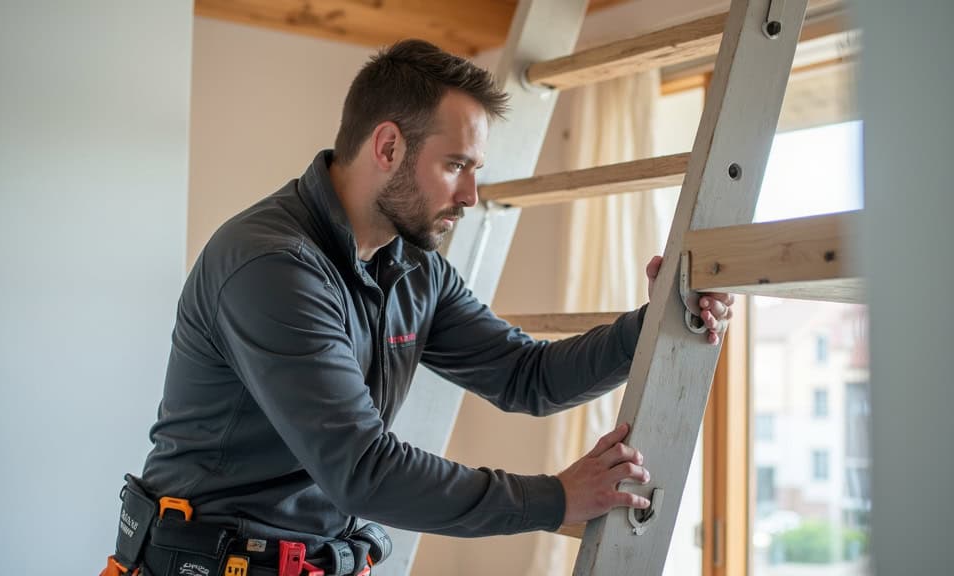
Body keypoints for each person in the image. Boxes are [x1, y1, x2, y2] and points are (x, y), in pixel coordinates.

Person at [101, 39, 733, 576]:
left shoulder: (414, 268)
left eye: (476, 168)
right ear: (388, 148)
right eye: (455, 165)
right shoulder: (272, 266)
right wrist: (553, 499)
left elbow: (527, 376)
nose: (473, 194)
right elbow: (364, 469)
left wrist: (650, 326)